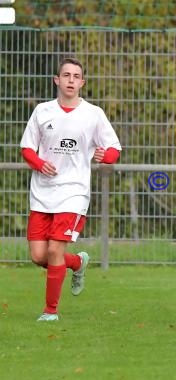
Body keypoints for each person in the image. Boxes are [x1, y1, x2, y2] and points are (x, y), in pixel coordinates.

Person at [20, 57, 122, 321]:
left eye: (76, 76)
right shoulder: (43, 111)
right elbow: (27, 148)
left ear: (82, 83)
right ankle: (77, 263)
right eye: (66, 75)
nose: (71, 80)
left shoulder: (93, 114)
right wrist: (40, 163)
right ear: (57, 80)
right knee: (38, 255)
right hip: (42, 193)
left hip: (73, 193)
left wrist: (105, 156)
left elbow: (114, 148)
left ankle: (50, 311)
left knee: (55, 251)